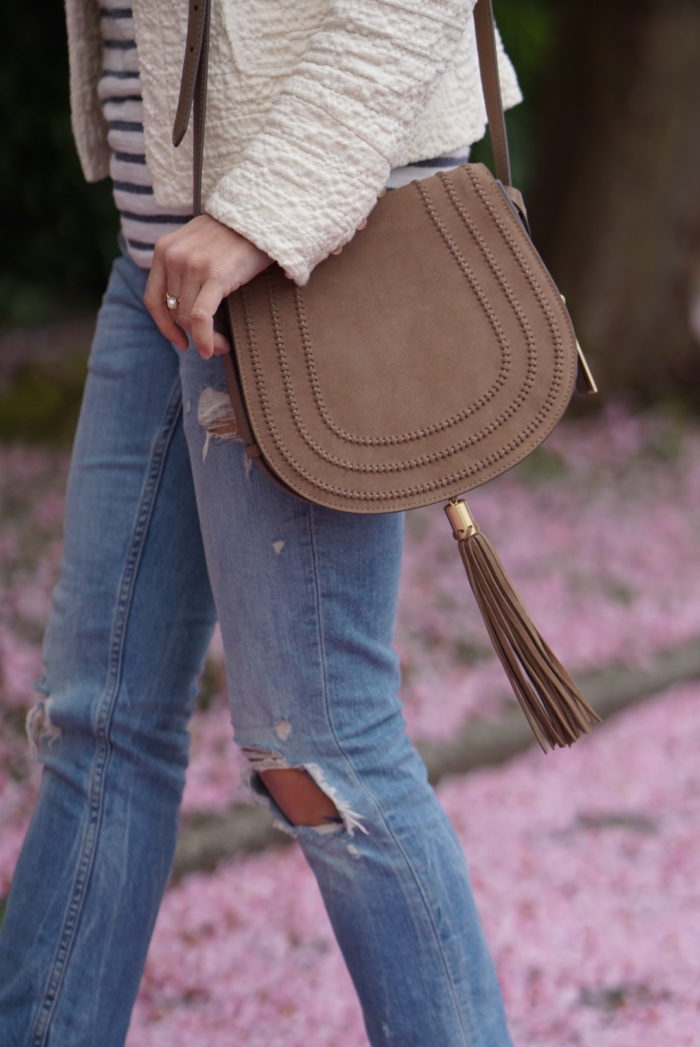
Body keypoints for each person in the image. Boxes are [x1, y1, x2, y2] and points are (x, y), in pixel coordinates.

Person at [0, 0, 523, 1043]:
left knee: (321, 748)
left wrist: (262, 216)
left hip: (303, 249)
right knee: (96, 720)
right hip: (165, 259)